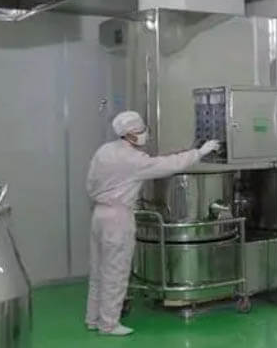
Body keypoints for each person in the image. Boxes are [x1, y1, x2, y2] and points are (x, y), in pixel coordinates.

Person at [85, 110, 219, 336]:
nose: (145, 134)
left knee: (98, 270)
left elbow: (91, 184)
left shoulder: (104, 151)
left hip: (99, 214)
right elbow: (168, 164)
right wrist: (199, 152)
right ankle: (108, 324)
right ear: (130, 134)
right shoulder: (132, 159)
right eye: (141, 131)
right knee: (116, 272)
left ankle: (93, 318)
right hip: (118, 217)